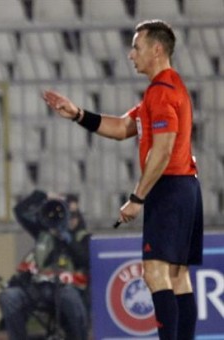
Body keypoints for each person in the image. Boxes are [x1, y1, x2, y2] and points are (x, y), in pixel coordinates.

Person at [42, 20, 203, 340]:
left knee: (155, 273)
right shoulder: (168, 88)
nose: (131, 55)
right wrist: (77, 113)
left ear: (157, 50)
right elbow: (121, 127)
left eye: (136, 47)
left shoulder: (161, 92)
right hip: (187, 187)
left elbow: (163, 149)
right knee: (177, 275)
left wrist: (138, 197)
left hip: (169, 188)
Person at [0, 191, 89, 340]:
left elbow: (84, 259)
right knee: (9, 297)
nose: (68, 219)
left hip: (66, 288)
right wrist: (43, 195)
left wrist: (67, 238)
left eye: (73, 215)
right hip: (38, 288)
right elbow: (19, 210)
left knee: (70, 297)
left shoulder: (82, 237)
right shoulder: (43, 232)